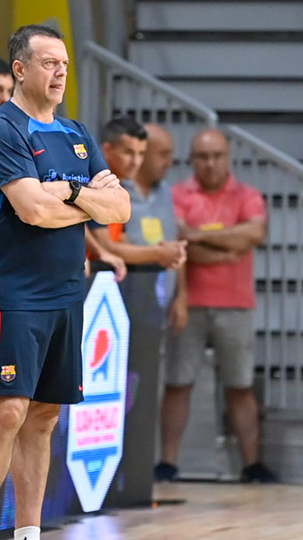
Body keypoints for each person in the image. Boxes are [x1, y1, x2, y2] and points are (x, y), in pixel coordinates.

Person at [0, 25, 130, 540]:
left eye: (64, 64)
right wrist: (84, 201)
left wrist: (70, 190)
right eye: (48, 63)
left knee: (45, 416)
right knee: (9, 410)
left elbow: (120, 206)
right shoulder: (0, 128)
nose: (59, 72)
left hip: (65, 291)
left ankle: (28, 532)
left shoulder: (76, 133)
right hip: (11, 289)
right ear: (20, 69)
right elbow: (32, 210)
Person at [157, 127, 277, 484]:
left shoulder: (248, 194)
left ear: (228, 157)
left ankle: (251, 464)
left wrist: (198, 236)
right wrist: (227, 243)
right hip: (188, 302)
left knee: (240, 385)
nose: (210, 163)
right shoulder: (177, 195)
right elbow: (181, 245)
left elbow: (254, 234)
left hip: (236, 304)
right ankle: (168, 462)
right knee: (178, 382)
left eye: (217, 156)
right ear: (192, 159)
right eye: (202, 156)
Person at [87, 117, 187, 271]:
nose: (136, 162)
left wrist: (163, 251)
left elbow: (122, 243)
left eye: (141, 154)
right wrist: (158, 253)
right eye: (129, 152)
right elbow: (105, 246)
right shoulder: (95, 183)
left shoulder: (121, 188)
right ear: (107, 150)